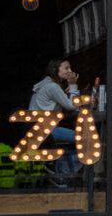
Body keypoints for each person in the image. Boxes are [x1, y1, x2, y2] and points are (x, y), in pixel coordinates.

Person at [29, 58, 82, 187]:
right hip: (45, 129)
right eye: (66, 68)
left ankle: (60, 173)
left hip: (37, 128)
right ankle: (61, 174)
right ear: (55, 70)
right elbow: (71, 106)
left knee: (69, 144)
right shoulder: (52, 86)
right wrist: (73, 84)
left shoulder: (47, 84)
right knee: (84, 139)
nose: (70, 71)